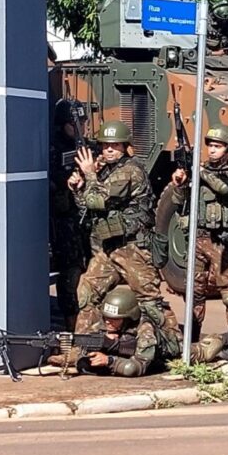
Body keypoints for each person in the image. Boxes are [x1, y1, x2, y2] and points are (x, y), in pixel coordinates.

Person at [67, 120, 179, 341]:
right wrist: (78, 189)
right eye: (106, 145)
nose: (109, 150)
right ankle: (83, 346)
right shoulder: (108, 172)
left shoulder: (129, 171)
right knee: (87, 292)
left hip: (132, 248)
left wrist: (89, 174)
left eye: (115, 145)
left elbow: (98, 200)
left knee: (149, 299)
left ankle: (173, 343)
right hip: (109, 248)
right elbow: (88, 208)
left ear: (125, 146)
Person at [170, 124, 228, 341]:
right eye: (210, 146)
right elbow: (179, 201)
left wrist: (199, 170)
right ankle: (192, 338)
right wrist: (179, 183)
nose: (212, 150)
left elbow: (226, 189)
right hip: (198, 239)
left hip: (223, 242)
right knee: (194, 291)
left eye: (218, 146)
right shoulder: (200, 170)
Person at [79, 286, 228, 377]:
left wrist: (109, 361)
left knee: (204, 352)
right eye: (106, 317)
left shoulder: (146, 331)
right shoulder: (105, 325)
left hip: (172, 351)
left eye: (114, 318)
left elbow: (135, 368)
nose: (108, 321)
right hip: (151, 359)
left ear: (129, 317)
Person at [49, 99, 90, 329]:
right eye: (75, 124)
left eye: (83, 123)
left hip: (87, 220)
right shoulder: (54, 148)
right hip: (65, 221)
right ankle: (70, 325)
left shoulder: (88, 147)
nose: (80, 128)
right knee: (69, 274)